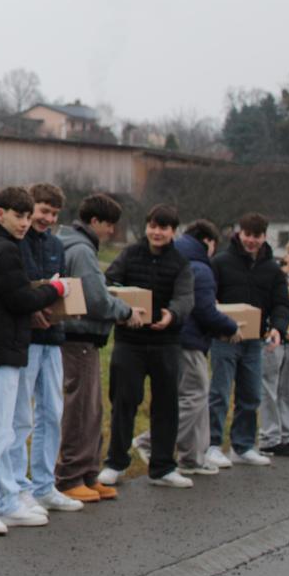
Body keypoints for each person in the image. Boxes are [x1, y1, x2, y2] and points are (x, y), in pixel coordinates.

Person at [0, 186, 69, 535]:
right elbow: (20, 299)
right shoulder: (4, 250)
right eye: (18, 215)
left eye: (27, 216)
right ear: (0, 214)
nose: (24, 223)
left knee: (5, 428)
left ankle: (7, 500)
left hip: (3, 348)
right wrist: (56, 290)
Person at [98, 205, 194, 488]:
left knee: (166, 405)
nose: (157, 232)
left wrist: (172, 314)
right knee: (124, 401)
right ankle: (115, 462)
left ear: (173, 232)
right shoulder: (129, 254)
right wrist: (122, 309)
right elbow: (110, 282)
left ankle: (163, 466)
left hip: (167, 342)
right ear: (146, 227)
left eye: (164, 228)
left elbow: (186, 297)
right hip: (130, 341)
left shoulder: (181, 263)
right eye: (153, 226)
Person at [133, 220, 240, 475]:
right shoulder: (200, 269)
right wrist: (231, 327)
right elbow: (205, 310)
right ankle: (152, 441)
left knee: (195, 399)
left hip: (173, 338)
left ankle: (192, 457)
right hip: (190, 342)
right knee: (195, 397)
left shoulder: (172, 259)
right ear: (208, 241)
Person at [55, 194, 142, 503]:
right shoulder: (81, 251)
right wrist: (126, 311)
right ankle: (69, 476)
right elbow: (95, 299)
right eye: (110, 226)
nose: (111, 233)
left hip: (84, 340)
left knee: (92, 408)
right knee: (80, 408)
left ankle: (89, 473)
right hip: (78, 338)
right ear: (95, 222)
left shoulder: (75, 245)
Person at [11, 183, 84, 515]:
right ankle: (18, 485)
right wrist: (32, 311)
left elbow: (62, 286)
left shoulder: (57, 245)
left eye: (53, 213)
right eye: (42, 211)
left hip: (54, 338)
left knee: (51, 412)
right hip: (26, 339)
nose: (46, 218)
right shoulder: (17, 241)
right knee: (20, 417)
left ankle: (44, 485)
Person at [207, 213, 289, 467]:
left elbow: (281, 304)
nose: (251, 240)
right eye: (247, 235)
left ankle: (242, 446)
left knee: (251, 394)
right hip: (224, 337)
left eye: (257, 236)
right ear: (239, 233)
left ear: (264, 237)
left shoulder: (273, 269)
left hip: (255, 340)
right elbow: (209, 295)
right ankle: (211, 444)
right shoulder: (220, 262)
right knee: (219, 393)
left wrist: (278, 328)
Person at [258, 237, 289, 456]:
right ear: (286, 255)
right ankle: (270, 436)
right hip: (273, 335)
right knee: (270, 386)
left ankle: (287, 435)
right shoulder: (276, 277)